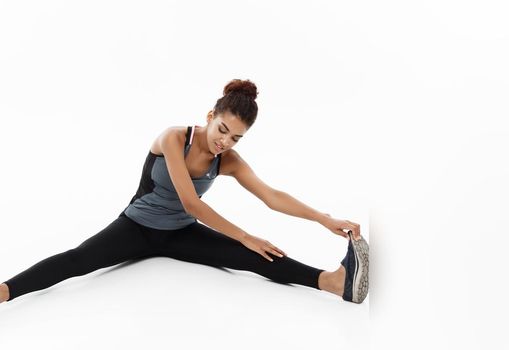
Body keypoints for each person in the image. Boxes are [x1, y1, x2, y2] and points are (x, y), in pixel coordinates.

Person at [0, 79, 369, 305]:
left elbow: (271, 196)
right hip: (136, 228)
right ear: (211, 115)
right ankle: (5, 291)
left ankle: (333, 282)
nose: (225, 141)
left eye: (236, 137)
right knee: (77, 261)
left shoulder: (230, 160)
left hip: (180, 234)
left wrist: (325, 219)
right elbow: (190, 201)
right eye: (223, 129)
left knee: (257, 257)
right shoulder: (174, 138)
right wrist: (244, 234)